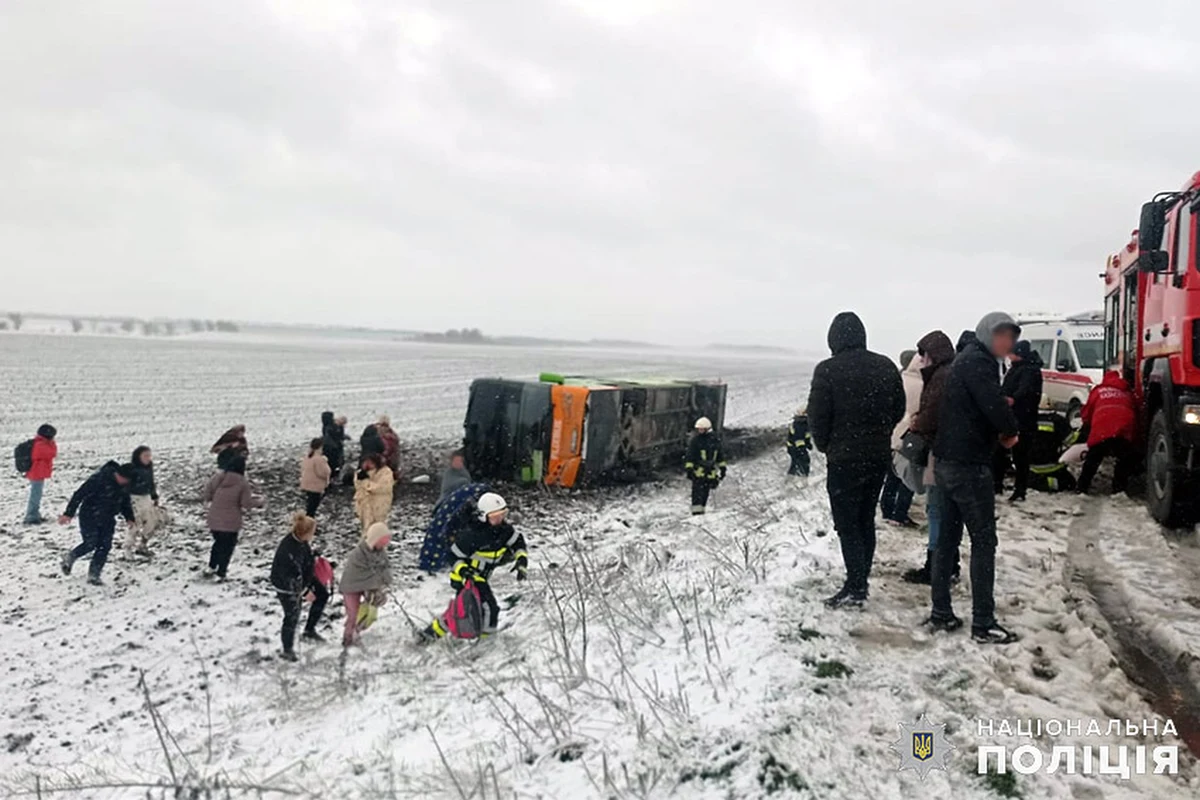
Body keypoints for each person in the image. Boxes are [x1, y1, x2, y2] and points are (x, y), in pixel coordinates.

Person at [928, 312, 1022, 645]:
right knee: (983, 543)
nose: (1007, 344)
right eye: (1001, 336)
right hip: (969, 466)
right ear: (987, 335)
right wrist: (1010, 430)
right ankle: (983, 623)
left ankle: (941, 612)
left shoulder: (965, 361)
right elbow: (993, 405)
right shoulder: (980, 363)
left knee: (947, 541)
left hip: (948, 461)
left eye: (1011, 338)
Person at [807, 312, 906, 608]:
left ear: (833, 339)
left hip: (844, 460)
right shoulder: (885, 366)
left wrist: (826, 445)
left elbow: (817, 417)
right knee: (865, 519)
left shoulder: (827, 371)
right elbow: (898, 408)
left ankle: (856, 586)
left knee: (847, 523)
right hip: (877, 457)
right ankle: (859, 581)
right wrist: (881, 432)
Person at [421, 492, 527, 640]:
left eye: (503, 514)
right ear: (484, 516)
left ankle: (428, 635)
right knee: (490, 608)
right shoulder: (471, 536)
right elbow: (452, 556)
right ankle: (487, 641)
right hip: (466, 578)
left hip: (481, 576)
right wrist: (464, 571)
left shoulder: (505, 531)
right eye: (495, 516)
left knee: (464, 610)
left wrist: (521, 561)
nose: (500, 519)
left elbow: (518, 543)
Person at [901, 331, 956, 585]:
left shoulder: (940, 378)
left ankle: (936, 566)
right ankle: (946, 563)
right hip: (951, 452)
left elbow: (931, 416)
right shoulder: (952, 374)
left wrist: (916, 424)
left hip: (940, 453)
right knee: (945, 512)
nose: (921, 361)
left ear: (933, 355)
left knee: (936, 510)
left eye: (923, 356)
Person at [59, 461, 135, 585]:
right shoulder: (99, 479)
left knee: (105, 546)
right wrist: (69, 513)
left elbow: (125, 502)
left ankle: (94, 575)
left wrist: (129, 517)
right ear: (120, 475)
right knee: (90, 543)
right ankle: (70, 557)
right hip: (89, 515)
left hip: (108, 517)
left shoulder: (125, 485)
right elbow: (79, 494)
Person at [269, 513, 328, 661]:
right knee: (292, 615)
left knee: (322, 595)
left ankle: (309, 630)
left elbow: (304, 560)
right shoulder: (287, 549)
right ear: (305, 533)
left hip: (303, 578)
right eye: (312, 532)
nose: (313, 535)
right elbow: (290, 576)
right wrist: (304, 591)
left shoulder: (302, 542)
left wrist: (314, 556)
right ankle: (287, 649)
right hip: (286, 586)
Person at [880, 350, 924, 526]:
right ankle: (900, 514)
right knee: (909, 478)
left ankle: (886, 509)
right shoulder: (922, 384)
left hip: (893, 434)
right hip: (910, 436)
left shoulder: (897, 379)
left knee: (892, 475)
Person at [202, 454, 263, 581]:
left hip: (214, 518)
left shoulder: (218, 477)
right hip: (231, 522)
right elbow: (246, 503)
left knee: (218, 543)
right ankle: (221, 573)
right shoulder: (242, 483)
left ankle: (211, 566)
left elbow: (207, 493)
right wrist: (259, 502)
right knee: (228, 547)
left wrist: (214, 500)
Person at [1077, 371, 1138, 495]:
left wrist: (1086, 429)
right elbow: (1136, 409)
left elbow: (1086, 413)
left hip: (1102, 428)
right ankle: (1119, 489)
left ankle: (1082, 487)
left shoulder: (1098, 391)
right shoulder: (1126, 392)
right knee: (1123, 460)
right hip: (1123, 428)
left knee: (1093, 459)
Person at [997, 341, 1044, 502]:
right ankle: (998, 485)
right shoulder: (1017, 368)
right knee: (1002, 452)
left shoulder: (1030, 371)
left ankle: (1020, 489)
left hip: (1024, 419)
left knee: (1020, 456)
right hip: (1013, 417)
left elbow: (1025, 392)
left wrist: (1011, 399)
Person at [339, 522, 393, 647]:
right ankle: (348, 637)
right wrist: (377, 581)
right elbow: (370, 571)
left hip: (369, 585)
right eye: (383, 540)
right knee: (353, 613)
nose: (385, 544)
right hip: (351, 586)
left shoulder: (380, 553)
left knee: (371, 609)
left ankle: (357, 630)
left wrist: (385, 582)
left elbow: (385, 568)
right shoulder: (358, 554)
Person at [125, 445, 166, 557]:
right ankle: (127, 549)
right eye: (145, 456)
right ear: (138, 456)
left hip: (146, 498)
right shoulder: (132, 469)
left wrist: (154, 496)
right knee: (135, 525)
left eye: (149, 455)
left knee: (152, 522)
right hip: (134, 499)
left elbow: (151, 482)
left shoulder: (149, 467)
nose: (148, 458)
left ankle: (143, 545)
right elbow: (125, 486)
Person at [684, 417, 726, 514]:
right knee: (697, 495)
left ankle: (700, 514)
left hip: (706, 474)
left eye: (701, 429)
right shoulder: (699, 441)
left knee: (703, 495)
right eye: (698, 429)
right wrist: (689, 470)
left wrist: (723, 469)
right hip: (699, 474)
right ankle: (697, 514)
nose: (699, 431)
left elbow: (720, 456)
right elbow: (690, 457)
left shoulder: (712, 441)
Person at [22, 423, 57, 525]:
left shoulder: (38, 443)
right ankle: (31, 516)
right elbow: (52, 453)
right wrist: (52, 443)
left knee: (36, 494)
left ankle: (34, 514)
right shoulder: (41, 445)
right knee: (35, 495)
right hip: (37, 473)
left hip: (36, 472)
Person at [354, 454, 395, 535]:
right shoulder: (360, 473)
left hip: (379, 502)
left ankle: (377, 542)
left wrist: (366, 482)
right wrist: (360, 479)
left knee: (377, 524)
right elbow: (358, 486)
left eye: (370, 462)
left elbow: (383, 487)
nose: (367, 464)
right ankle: (367, 542)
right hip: (364, 502)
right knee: (365, 524)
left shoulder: (385, 472)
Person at [300, 438, 332, 517]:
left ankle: (307, 520)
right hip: (315, 486)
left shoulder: (307, 457)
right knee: (313, 506)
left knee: (310, 504)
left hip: (307, 484)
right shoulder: (319, 459)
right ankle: (308, 522)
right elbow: (324, 472)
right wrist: (325, 463)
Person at [321, 412, 348, 481]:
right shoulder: (330, 426)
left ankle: (332, 476)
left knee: (332, 463)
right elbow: (332, 437)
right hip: (333, 448)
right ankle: (332, 476)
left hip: (331, 448)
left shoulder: (327, 426)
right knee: (333, 463)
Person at [785, 408, 812, 477]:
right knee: (804, 460)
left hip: (792, 447)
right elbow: (799, 439)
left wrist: (808, 443)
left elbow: (805, 436)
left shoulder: (803, 424)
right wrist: (802, 448)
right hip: (795, 447)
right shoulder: (800, 425)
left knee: (795, 462)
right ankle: (803, 476)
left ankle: (791, 476)